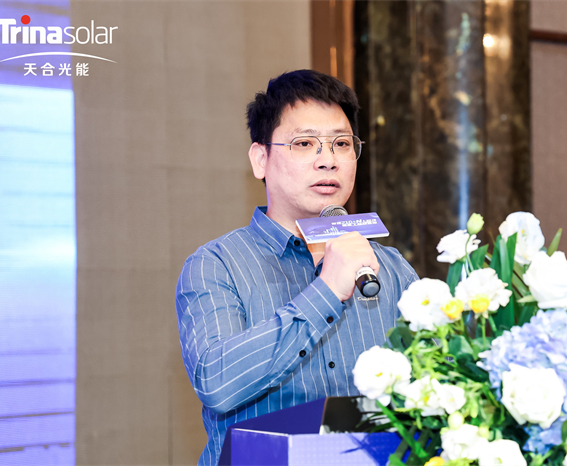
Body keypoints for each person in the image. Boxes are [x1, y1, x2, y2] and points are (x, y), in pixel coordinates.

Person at [175, 69, 418, 466]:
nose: (328, 161)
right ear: (261, 159)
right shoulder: (216, 266)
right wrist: (327, 290)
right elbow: (217, 382)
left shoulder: (390, 269)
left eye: (342, 144)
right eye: (305, 143)